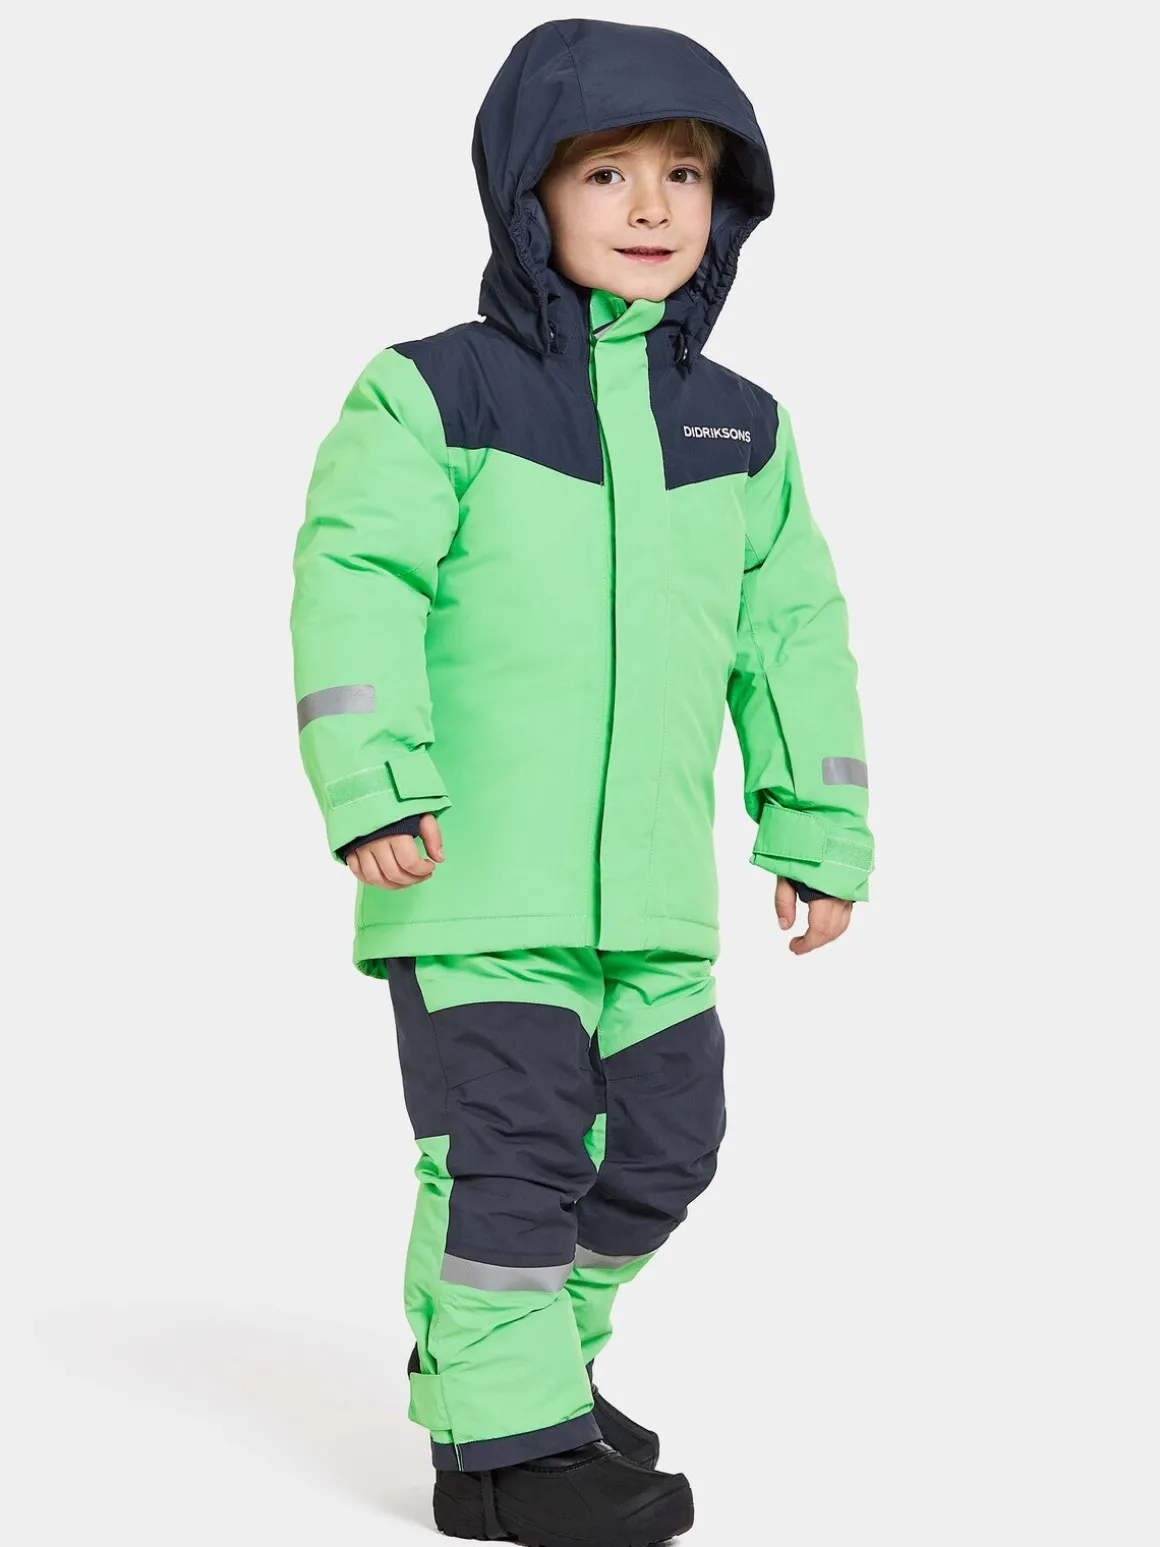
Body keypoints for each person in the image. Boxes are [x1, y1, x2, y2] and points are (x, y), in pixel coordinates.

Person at [290, 17, 873, 1545]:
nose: (652, 204)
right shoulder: (434, 394)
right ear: (526, 195)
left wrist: (816, 823)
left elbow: (793, 635)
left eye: (688, 173)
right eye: (607, 171)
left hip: (654, 895)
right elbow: (356, 584)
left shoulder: (741, 426)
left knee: (667, 1150)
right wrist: (376, 779)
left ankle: (532, 1366)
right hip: (477, 880)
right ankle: (502, 1445)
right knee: (514, 1155)